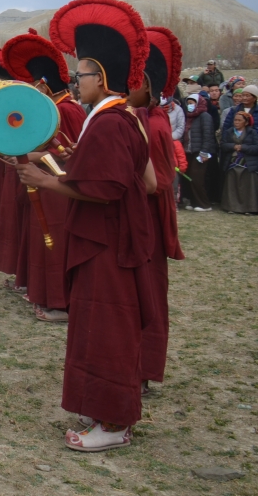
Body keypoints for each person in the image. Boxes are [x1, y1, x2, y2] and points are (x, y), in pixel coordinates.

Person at [17, 0, 156, 452]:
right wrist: (74, 159)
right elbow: (123, 174)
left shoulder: (113, 122)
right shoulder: (117, 118)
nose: (75, 83)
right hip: (108, 239)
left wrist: (45, 179)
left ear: (103, 78)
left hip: (109, 244)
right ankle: (104, 412)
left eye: (81, 75)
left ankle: (113, 424)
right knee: (98, 325)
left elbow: (108, 189)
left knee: (107, 327)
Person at [2, 29, 88, 322]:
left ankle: (58, 302)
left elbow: (71, 154)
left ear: (44, 85)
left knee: (54, 244)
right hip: (43, 183)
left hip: (59, 187)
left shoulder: (68, 110)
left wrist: (28, 157)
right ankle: (37, 290)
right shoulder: (54, 107)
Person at [131, 26, 185, 394]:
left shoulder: (154, 125)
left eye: (131, 81)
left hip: (146, 221)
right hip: (138, 218)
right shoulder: (138, 120)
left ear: (147, 87)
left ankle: (145, 369)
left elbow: (157, 181)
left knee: (147, 294)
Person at [183, 90, 217, 211]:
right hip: (190, 151)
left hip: (201, 151)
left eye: (192, 102)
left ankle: (204, 204)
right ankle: (194, 201)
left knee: (197, 178)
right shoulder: (188, 117)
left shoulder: (205, 116)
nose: (190, 105)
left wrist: (204, 151)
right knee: (189, 178)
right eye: (189, 103)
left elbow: (208, 135)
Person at [221, 111, 258, 214]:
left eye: (239, 120)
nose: (236, 122)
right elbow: (223, 145)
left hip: (247, 163)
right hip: (232, 162)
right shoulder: (229, 132)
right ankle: (231, 207)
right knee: (232, 186)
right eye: (235, 120)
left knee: (248, 186)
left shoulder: (252, 132)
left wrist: (243, 147)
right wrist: (233, 146)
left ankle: (249, 208)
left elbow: (256, 147)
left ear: (246, 123)